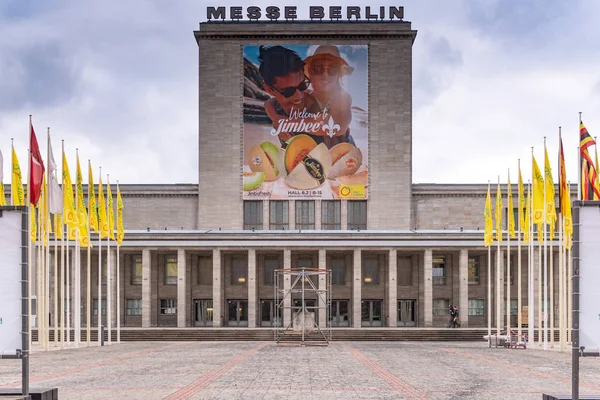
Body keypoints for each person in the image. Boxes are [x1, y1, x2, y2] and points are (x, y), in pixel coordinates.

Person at [258, 45, 322, 146]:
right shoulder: (276, 109)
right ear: (269, 89)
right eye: (288, 91)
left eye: (302, 85)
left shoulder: (320, 104)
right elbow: (268, 103)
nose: (299, 95)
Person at [303, 45, 355, 147]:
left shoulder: (343, 98)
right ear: (310, 72)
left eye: (333, 69)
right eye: (317, 68)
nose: (325, 74)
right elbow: (273, 101)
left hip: (343, 153)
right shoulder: (305, 95)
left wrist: (287, 122)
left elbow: (339, 128)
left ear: (338, 75)